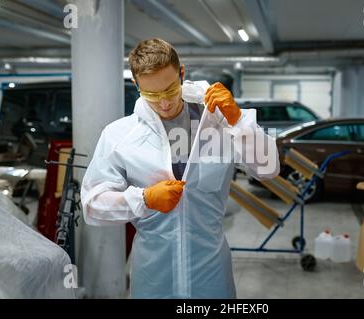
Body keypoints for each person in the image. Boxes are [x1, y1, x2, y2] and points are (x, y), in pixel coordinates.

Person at [81, 38, 279, 298]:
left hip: (211, 272)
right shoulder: (119, 135)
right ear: (136, 85)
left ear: (182, 74)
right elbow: (92, 205)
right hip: (153, 274)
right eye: (152, 94)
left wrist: (240, 123)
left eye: (170, 90)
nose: (164, 103)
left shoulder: (218, 124)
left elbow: (269, 168)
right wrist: (143, 199)